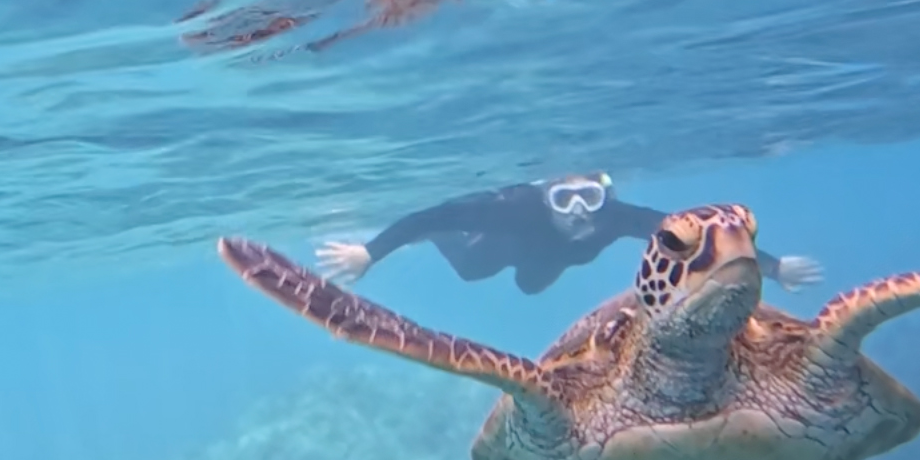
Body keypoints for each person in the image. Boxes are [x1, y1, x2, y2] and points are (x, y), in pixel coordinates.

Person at [314, 172, 825, 295]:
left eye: (589, 196)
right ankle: (442, 247)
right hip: (505, 245)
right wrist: (369, 253)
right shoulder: (513, 210)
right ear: (545, 197)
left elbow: (696, 233)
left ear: (604, 193)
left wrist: (774, 267)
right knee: (471, 270)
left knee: (530, 288)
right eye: (564, 198)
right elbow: (431, 214)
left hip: (549, 263)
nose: (580, 210)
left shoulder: (617, 216)